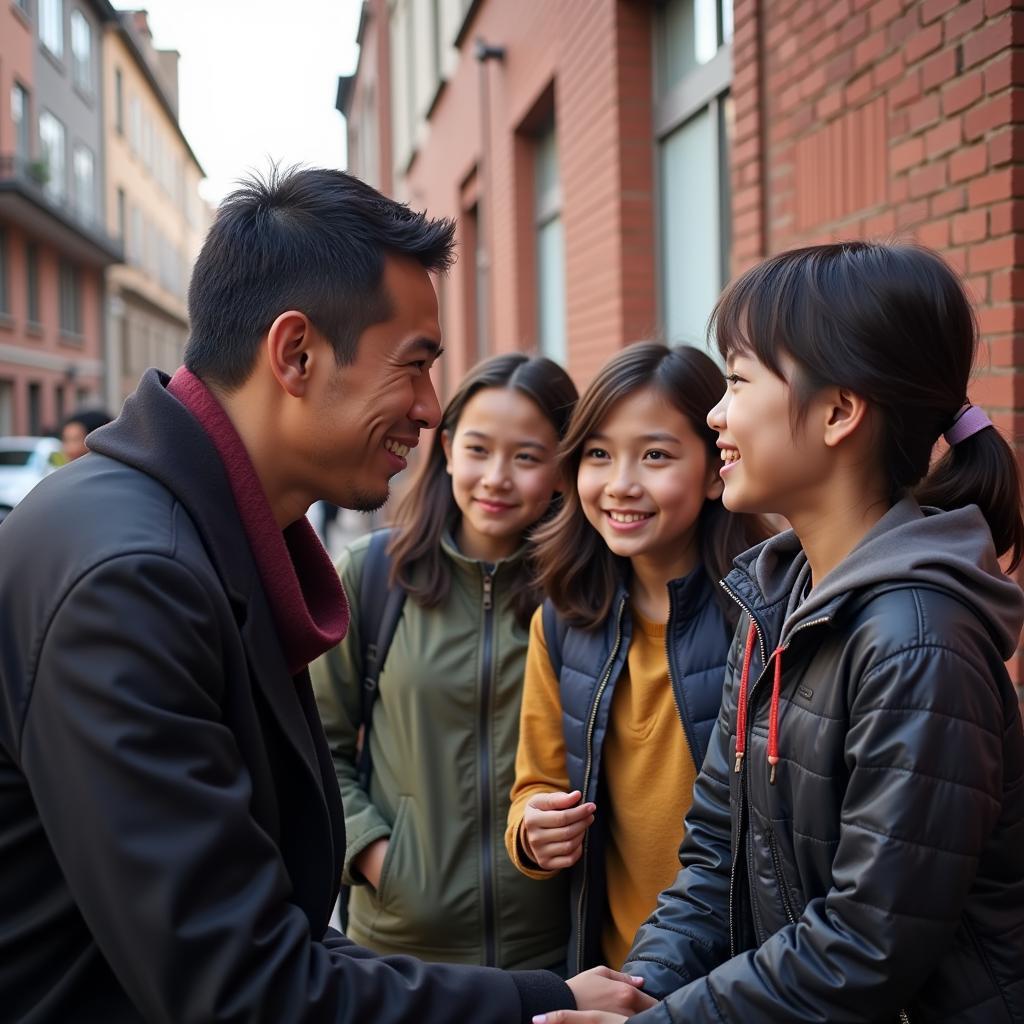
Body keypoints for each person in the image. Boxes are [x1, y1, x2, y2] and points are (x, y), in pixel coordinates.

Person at [0, 167, 652, 1023]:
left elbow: (269, 927)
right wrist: (537, 1006)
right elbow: (240, 983)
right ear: (296, 353)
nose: (429, 410)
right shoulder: (132, 579)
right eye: (414, 366)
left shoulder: (186, 534)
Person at [538, 242, 1024, 1024]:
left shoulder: (918, 643)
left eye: (736, 380)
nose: (715, 415)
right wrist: (640, 994)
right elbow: (714, 857)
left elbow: (864, 947)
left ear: (839, 411)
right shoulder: (775, 600)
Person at [505, 343, 769, 976]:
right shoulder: (563, 622)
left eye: (655, 455)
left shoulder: (760, 618)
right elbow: (533, 785)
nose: (621, 484)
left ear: (715, 470)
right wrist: (532, 833)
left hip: (743, 979)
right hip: (619, 974)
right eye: (598, 454)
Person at [311, 352, 578, 970]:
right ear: (450, 449)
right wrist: (378, 856)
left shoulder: (581, 595)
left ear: (561, 469)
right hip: (398, 950)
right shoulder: (376, 574)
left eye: (528, 457)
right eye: (479, 449)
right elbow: (319, 744)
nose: (496, 478)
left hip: (550, 947)